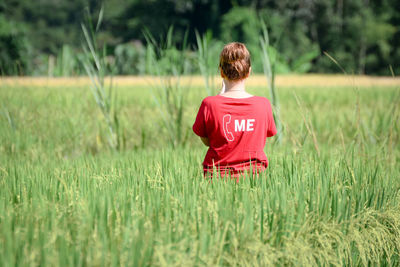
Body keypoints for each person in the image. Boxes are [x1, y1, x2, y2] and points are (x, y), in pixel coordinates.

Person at [192, 42, 277, 179]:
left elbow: (208, 141)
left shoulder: (209, 104)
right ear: (249, 71)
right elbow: (266, 136)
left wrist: (219, 97)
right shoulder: (263, 104)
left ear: (221, 71)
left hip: (217, 179)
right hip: (254, 178)